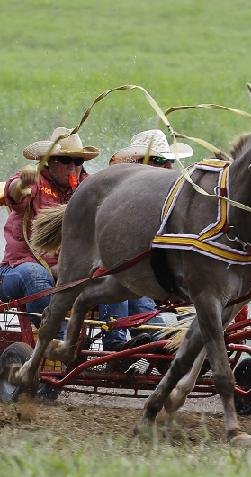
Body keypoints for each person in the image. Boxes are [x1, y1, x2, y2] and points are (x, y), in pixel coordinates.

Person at [0, 127, 100, 327]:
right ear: (50, 161)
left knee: (115, 275)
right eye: (66, 161)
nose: (73, 168)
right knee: (37, 275)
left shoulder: (89, 186)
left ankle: (123, 343)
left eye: (78, 161)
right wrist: (21, 185)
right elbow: (15, 192)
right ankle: (55, 342)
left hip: (66, 273)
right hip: (18, 270)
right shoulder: (35, 179)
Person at [98, 130, 192, 356]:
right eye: (160, 161)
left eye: (169, 161)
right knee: (123, 280)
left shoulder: (172, 198)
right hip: (109, 268)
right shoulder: (115, 197)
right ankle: (118, 343)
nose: (169, 168)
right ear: (140, 164)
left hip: (149, 271)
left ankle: (162, 342)